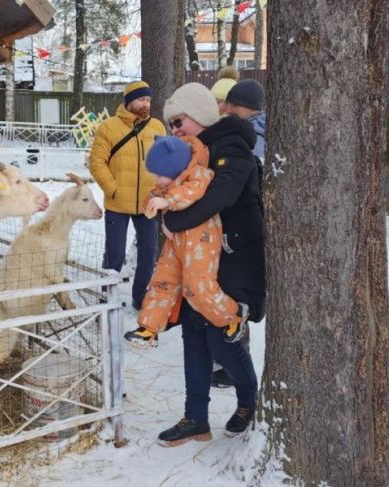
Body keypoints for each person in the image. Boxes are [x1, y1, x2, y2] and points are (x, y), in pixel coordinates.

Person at [156, 82, 265, 445]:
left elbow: (222, 194)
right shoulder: (197, 151)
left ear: (199, 116)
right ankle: (195, 418)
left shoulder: (230, 144)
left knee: (222, 342)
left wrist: (172, 221)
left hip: (231, 261)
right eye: (171, 125)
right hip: (199, 260)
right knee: (194, 341)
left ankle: (249, 399)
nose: (175, 131)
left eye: (179, 121)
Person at [124, 135, 249, 348]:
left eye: (159, 175)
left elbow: (191, 192)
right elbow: (151, 200)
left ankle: (232, 315)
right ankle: (149, 327)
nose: (156, 180)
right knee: (162, 281)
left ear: (173, 169)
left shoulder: (199, 174)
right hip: (177, 242)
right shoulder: (166, 184)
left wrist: (168, 200)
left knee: (197, 286)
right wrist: (152, 204)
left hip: (201, 241)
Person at [89, 81, 167, 310]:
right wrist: (113, 189)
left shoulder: (157, 127)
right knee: (114, 254)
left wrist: (159, 190)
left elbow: (164, 161)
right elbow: (96, 162)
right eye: (142, 99)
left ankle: (140, 296)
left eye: (149, 100)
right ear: (129, 101)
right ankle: (108, 295)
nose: (146, 104)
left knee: (148, 254)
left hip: (148, 202)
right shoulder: (108, 128)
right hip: (117, 203)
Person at [211, 78, 267, 389]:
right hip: (257, 229)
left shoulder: (245, 139)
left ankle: (233, 367)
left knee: (237, 295)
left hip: (241, 231)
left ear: (234, 106)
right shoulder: (269, 131)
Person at [226, 79, 266, 161]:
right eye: (228, 104)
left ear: (251, 106)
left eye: (235, 105)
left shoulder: (255, 139)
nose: (228, 110)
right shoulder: (242, 130)